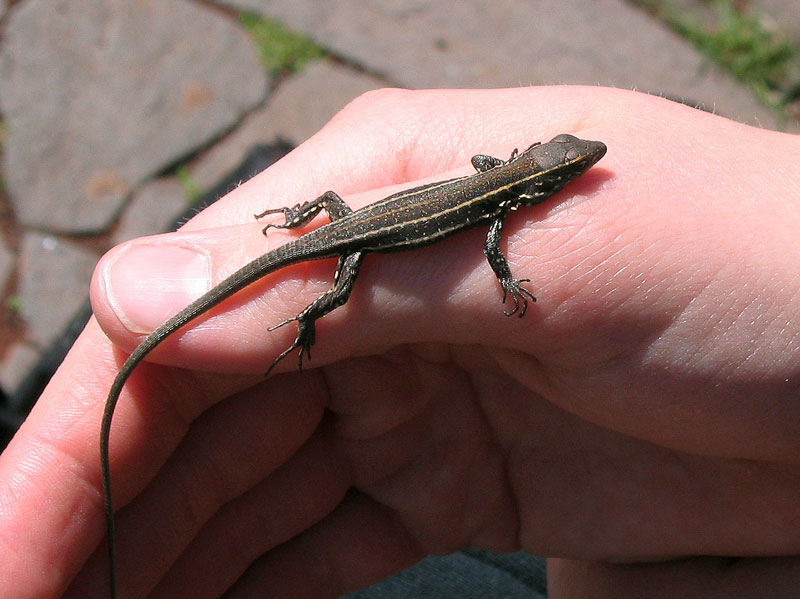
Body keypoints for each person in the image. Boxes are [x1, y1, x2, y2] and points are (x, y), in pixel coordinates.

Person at [2, 86, 800, 598]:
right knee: (340, 292)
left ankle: (298, 250)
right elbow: (494, 252)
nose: (583, 170)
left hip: (348, 218)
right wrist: (511, 287)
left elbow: (493, 169)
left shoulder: (505, 176)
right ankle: (304, 319)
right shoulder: (502, 209)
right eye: (572, 168)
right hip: (359, 243)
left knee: (329, 220)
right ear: (543, 181)